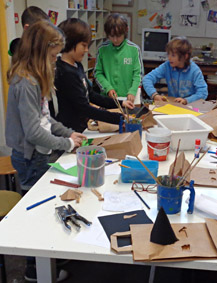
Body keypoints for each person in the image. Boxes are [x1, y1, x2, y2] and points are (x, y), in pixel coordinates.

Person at [6, 20, 86, 282]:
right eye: (53, 57)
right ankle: (33, 268)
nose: (55, 62)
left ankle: (47, 256)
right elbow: (32, 132)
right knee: (36, 210)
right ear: (41, 53)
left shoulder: (35, 79)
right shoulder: (25, 83)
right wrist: (67, 144)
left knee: (45, 206)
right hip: (30, 157)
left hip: (39, 153)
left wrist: (67, 133)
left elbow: (45, 119)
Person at [53, 18, 134, 133]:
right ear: (71, 42)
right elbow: (84, 109)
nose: (86, 50)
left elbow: (91, 95)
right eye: (84, 45)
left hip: (81, 128)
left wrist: (120, 103)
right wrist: (119, 118)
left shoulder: (77, 66)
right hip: (70, 131)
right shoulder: (65, 73)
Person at [143, 36, 208, 105]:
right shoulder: (167, 66)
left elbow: (203, 93)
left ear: (185, 56)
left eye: (173, 55)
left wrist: (186, 100)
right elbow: (147, 79)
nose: (169, 58)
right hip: (173, 105)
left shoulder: (194, 70)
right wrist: (154, 95)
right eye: (168, 54)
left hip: (191, 106)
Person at [94, 13, 143, 102]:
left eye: (119, 36)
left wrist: (132, 91)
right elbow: (98, 73)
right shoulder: (102, 49)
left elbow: (138, 74)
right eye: (112, 36)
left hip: (129, 99)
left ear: (126, 30)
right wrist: (107, 88)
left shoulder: (134, 49)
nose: (115, 40)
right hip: (108, 100)